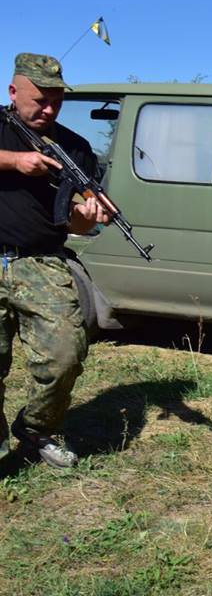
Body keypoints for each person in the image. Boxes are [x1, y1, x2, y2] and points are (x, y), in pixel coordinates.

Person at [0, 53, 109, 468]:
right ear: (13, 92)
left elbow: (78, 225)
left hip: (41, 262)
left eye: (56, 101)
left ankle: (37, 427)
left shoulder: (74, 148)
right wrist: (15, 161)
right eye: (39, 100)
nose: (48, 109)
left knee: (66, 354)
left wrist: (88, 215)